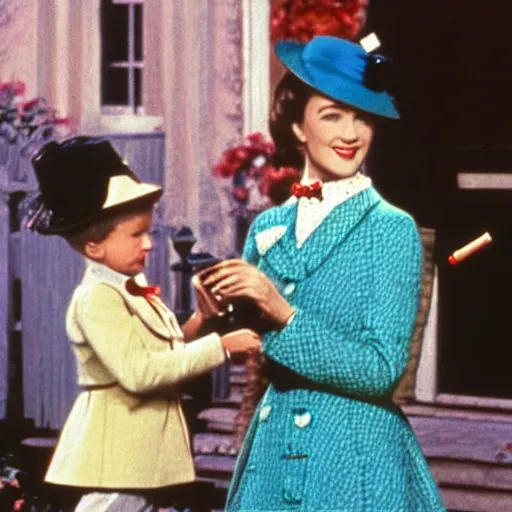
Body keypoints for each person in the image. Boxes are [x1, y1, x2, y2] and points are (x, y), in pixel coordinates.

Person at [201, 36, 446, 511]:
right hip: (273, 456)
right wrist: (217, 310)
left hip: (352, 459)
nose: (351, 132)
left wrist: (282, 313)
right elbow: (250, 346)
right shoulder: (268, 227)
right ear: (297, 125)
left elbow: (380, 371)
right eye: (332, 114)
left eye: (362, 117)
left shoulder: (390, 229)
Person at [25, 136, 261, 511]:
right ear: (93, 247)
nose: (149, 244)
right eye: (136, 234)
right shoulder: (98, 297)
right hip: (118, 453)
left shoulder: (130, 289)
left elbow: (162, 352)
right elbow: (140, 372)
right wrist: (222, 347)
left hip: (142, 453)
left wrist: (201, 319)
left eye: (147, 232)